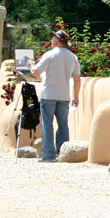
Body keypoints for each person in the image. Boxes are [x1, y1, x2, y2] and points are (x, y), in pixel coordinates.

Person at [29, 29, 82, 162]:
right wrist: (76, 97)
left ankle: (48, 155)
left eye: (53, 39)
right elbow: (77, 79)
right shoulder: (72, 57)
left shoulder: (50, 55)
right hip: (64, 96)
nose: (51, 42)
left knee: (47, 124)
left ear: (57, 41)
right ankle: (63, 153)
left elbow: (35, 73)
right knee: (63, 124)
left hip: (49, 94)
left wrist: (31, 65)